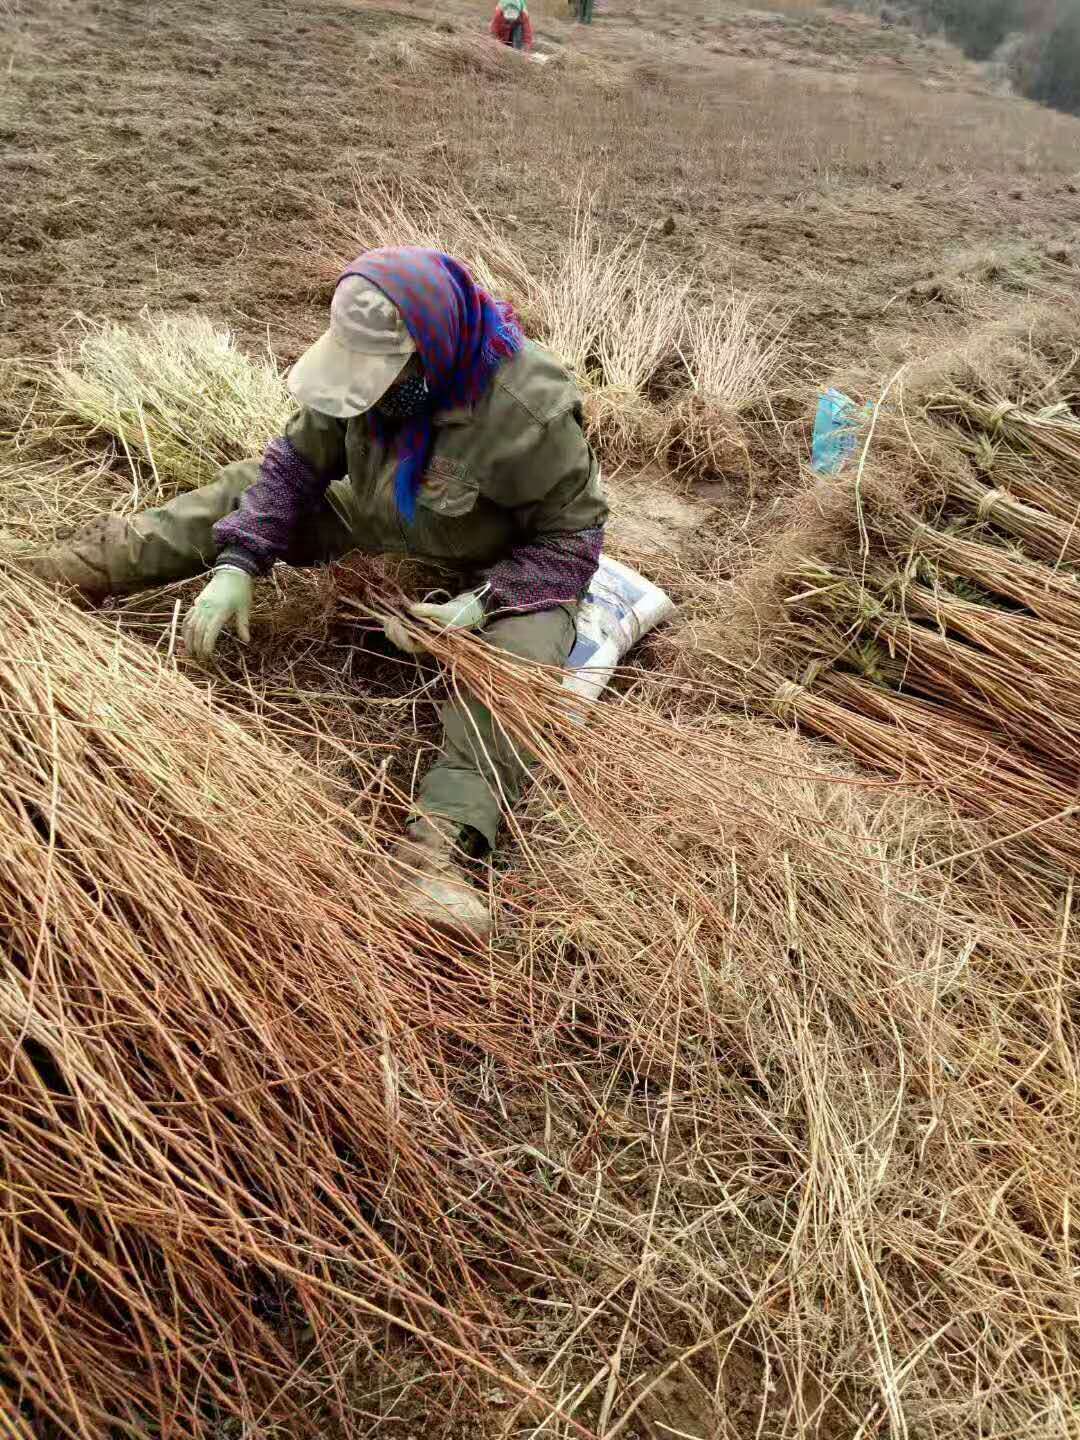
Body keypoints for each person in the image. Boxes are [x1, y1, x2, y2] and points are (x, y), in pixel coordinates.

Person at [26, 249, 606, 938]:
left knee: (522, 656)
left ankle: (438, 850)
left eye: (383, 374)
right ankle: (64, 570)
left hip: (499, 560)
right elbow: (291, 468)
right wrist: (239, 560)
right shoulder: (365, 384)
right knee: (240, 491)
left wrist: (478, 604)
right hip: (385, 511)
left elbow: (572, 541)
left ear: (432, 352)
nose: (365, 391)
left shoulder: (526, 411)